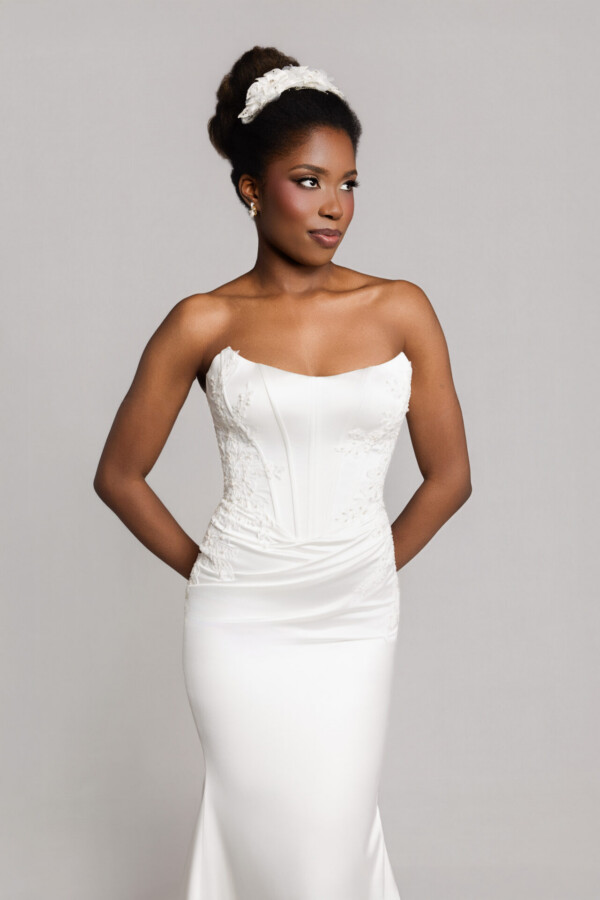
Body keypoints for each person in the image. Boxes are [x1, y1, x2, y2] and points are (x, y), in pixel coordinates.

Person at [94, 45, 472, 900]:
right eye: (309, 181)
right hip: (239, 623)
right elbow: (120, 474)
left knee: (330, 844)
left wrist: (363, 565)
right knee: (265, 839)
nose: (335, 207)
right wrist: (217, 574)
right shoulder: (203, 321)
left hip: (355, 617)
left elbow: (450, 476)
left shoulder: (401, 309)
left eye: (349, 184)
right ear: (250, 188)